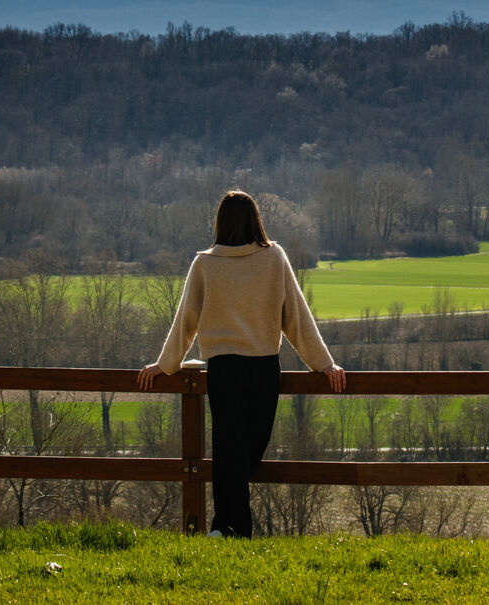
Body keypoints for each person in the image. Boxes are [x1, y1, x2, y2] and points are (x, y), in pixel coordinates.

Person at [136, 190, 346, 538]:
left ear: (220, 223)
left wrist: (165, 364)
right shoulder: (226, 262)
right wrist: (325, 364)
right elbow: (297, 318)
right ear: (255, 221)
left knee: (237, 451)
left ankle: (225, 528)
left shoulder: (247, 260)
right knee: (239, 449)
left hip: (225, 370)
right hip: (262, 369)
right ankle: (233, 531)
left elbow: (186, 321)